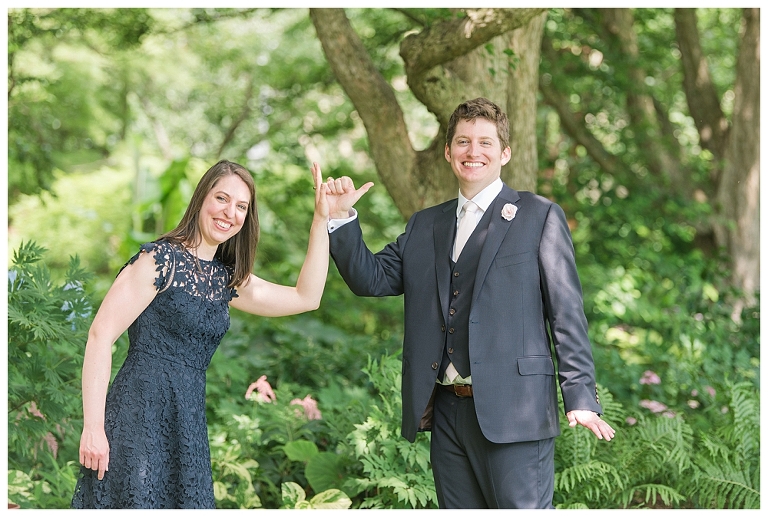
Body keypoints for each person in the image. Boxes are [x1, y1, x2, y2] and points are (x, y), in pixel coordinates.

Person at [323, 98, 616, 509]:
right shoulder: (425, 224)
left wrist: (580, 395)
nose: (472, 152)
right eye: (462, 141)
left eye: (485, 142)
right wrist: (341, 218)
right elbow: (371, 278)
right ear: (448, 152)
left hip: (516, 412)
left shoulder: (539, 216)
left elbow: (566, 314)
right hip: (446, 413)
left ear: (505, 153)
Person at [72, 159, 331, 508]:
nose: (230, 212)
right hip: (137, 418)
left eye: (241, 206)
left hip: (187, 428)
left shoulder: (225, 279)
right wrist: (93, 428)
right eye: (222, 198)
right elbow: (100, 336)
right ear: (201, 199)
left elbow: (307, 297)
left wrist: (321, 220)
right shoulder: (159, 260)